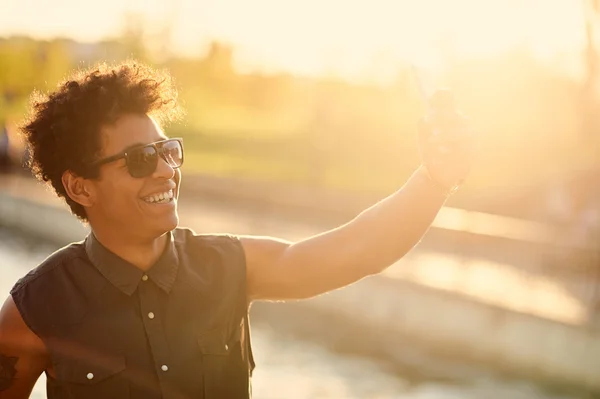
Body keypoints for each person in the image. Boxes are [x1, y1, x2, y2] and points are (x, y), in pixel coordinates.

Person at [0, 61, 474, 399]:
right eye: (141, 160)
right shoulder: (35, 308)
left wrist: (433, 180)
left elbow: (356, 251)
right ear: (81, 187)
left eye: (168, 151)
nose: (165, 170)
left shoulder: (229, 267)